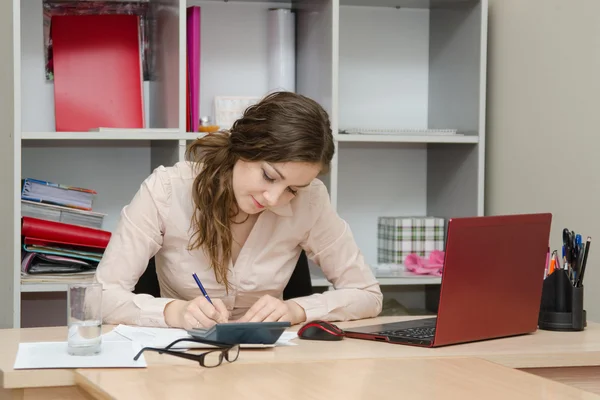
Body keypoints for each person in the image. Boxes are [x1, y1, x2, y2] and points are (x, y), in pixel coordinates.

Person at [95, 91, 383, 330]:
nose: (273, 198)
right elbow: (98, 298)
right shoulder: (167, 190)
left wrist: (296, 310)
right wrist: (175, 312)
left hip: (272, 365)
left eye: (292, 189)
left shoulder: (311, 200)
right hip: (183, 360)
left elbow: (367, 294)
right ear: (243, 148)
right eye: (269, 176)